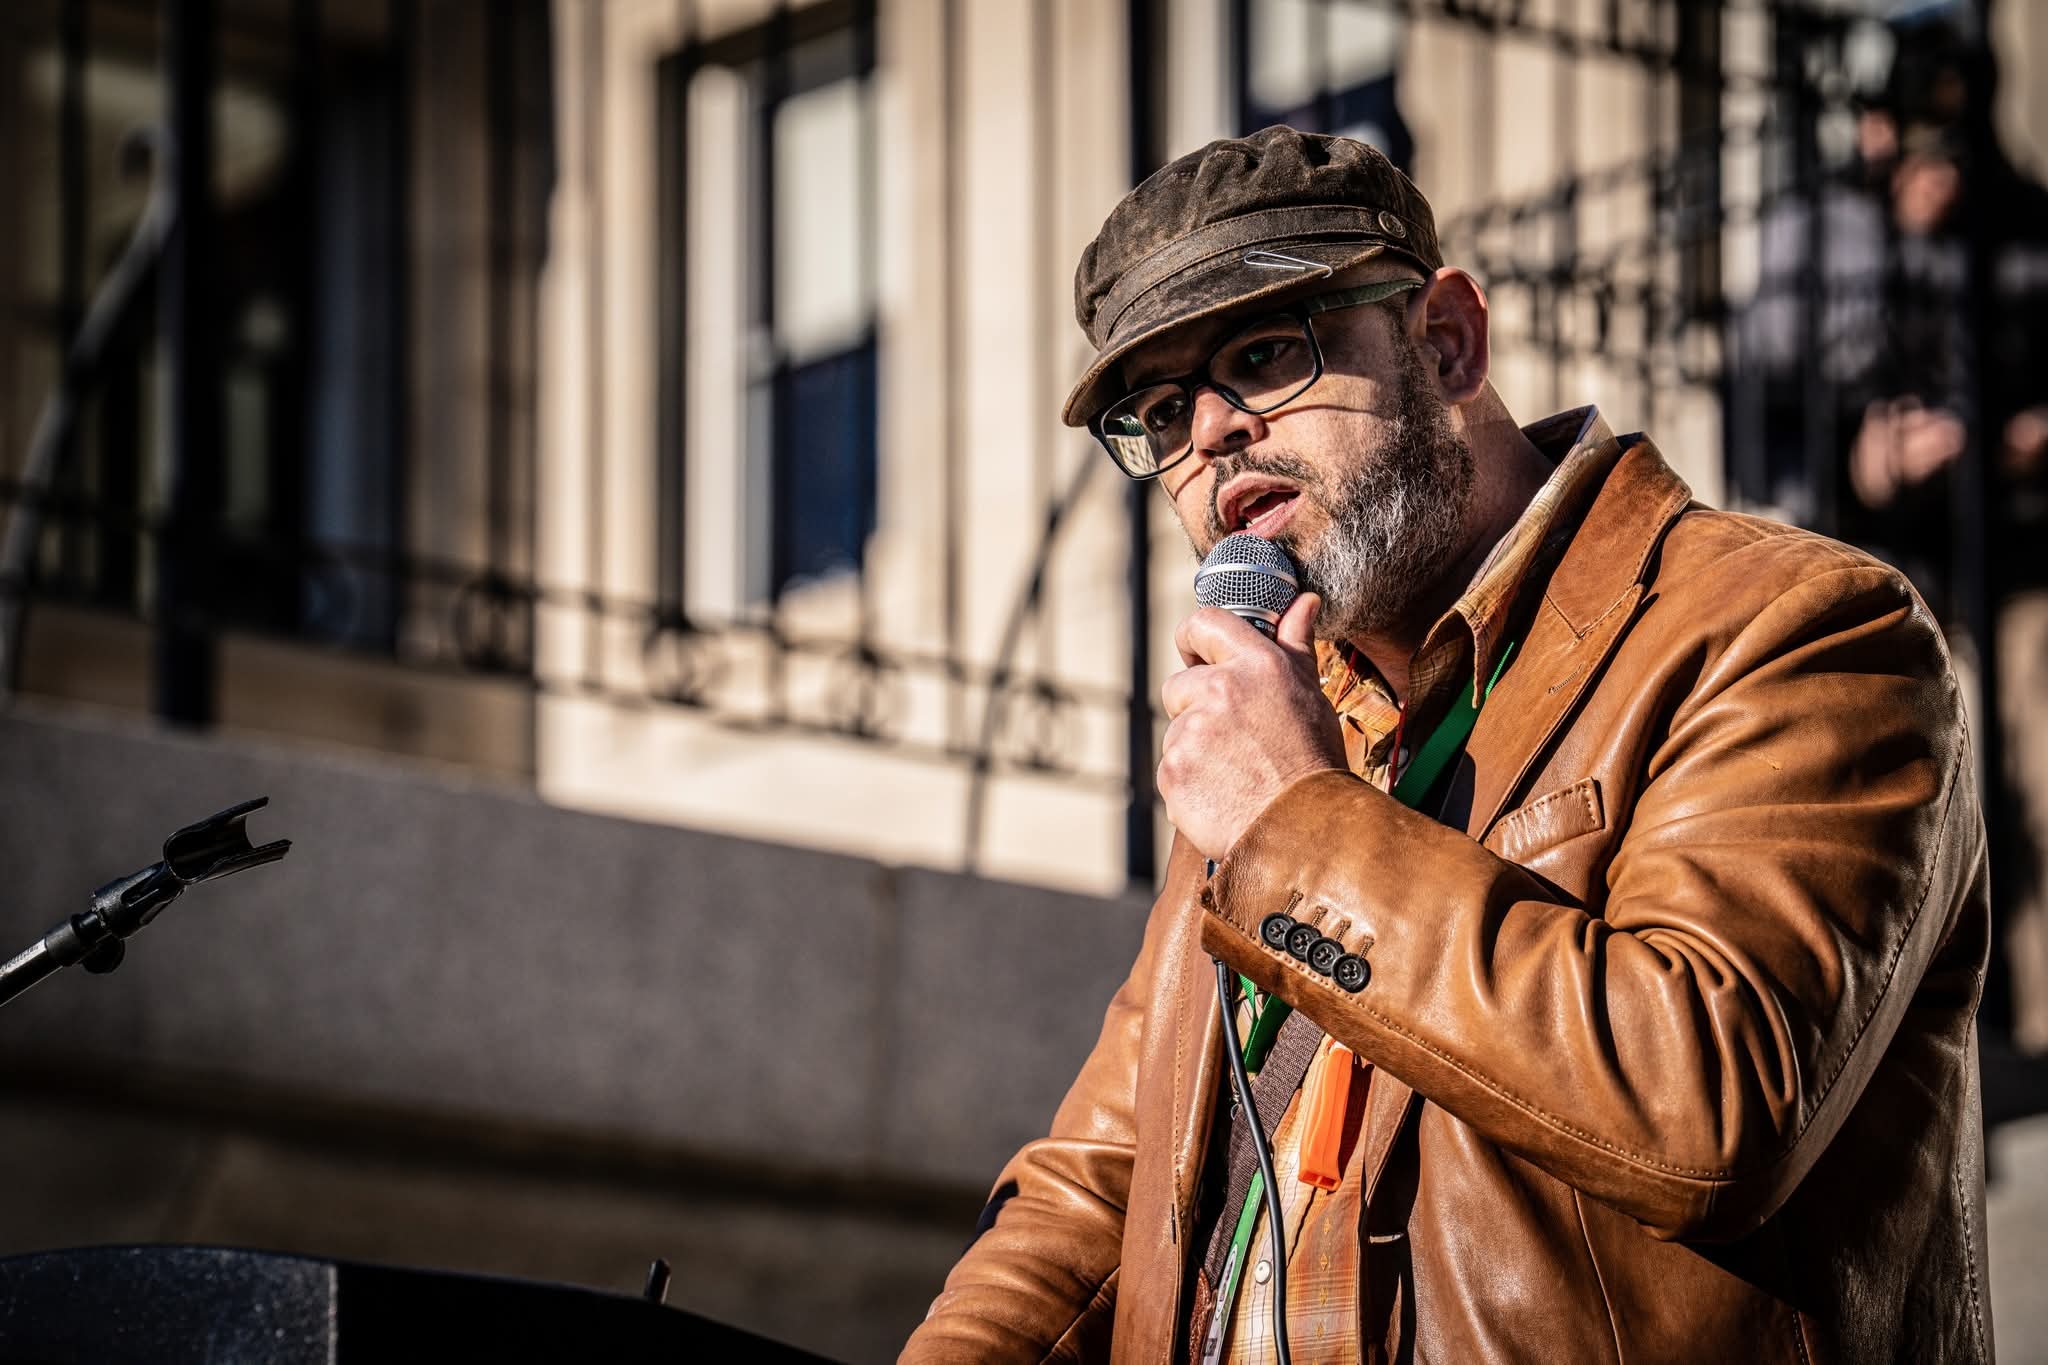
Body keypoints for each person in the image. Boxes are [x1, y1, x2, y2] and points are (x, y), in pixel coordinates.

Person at [901, 126, 1991, 1362]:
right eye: (1158, 411)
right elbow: (1096, 1192)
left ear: (1447, 342)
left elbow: (1703, 1108)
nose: (1206, 434)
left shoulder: (1787, 630)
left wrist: (1301, 828)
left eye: (1262, 354)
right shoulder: (1291, 739)